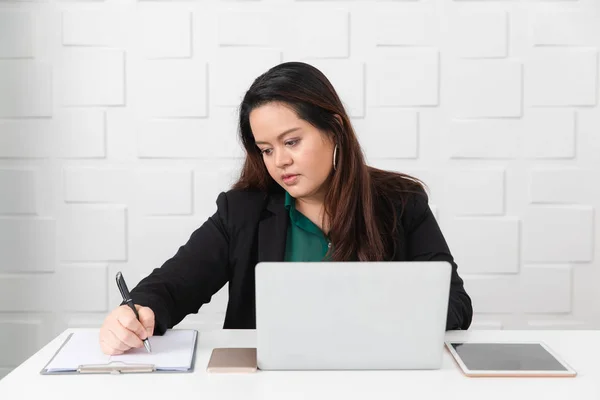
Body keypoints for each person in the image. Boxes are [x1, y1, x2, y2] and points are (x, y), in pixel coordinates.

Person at [99, 61, 473, 355]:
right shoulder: (241, 211)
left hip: (374, 377)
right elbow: (173, 285)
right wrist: (139, 311)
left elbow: (456, 304)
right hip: (268, 383)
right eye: (266, 149)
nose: (279, 161)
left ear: (335, 130)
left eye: (291, 141)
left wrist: (387, 312)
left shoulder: (401, 203)